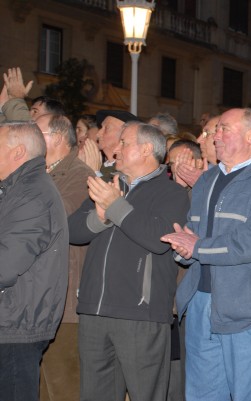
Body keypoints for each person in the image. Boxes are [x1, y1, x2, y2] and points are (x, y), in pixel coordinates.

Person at [162, 108, 251, 401]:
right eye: (213, 131)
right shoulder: (206, 180)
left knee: (247, 394)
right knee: (202, 394)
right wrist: (184, 249)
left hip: (245, 307)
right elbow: (194, 234)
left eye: (223, 129)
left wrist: (198, 247)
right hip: (201, 303)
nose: (213, 136)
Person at [68, 122, 190, 401]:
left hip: (140, 315)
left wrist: (115, 206)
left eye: (124, 143)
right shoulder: (111, 185)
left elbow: (158, 238)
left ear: (146, 149)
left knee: (145, 395)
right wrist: (100, 216)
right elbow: (73, 231)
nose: (116, 149)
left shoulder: (172, 193)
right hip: (94, 310)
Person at [0, 122, 68, 401]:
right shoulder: (16, 189)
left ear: (18, 152)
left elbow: (6, 263)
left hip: (16, 324)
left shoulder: (33, 195)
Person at [34, 113, 95, 401]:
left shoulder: (79, 174)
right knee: (41, 388)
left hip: (65, 302)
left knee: (64, 386)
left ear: (57, 138)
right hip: (38, 300)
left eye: (37, 132)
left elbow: (56, 219)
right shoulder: (41, 172)